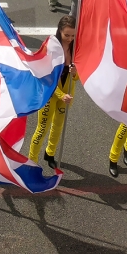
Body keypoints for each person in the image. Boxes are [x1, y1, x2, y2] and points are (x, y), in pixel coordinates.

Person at [28, 16, 77, 168]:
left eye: (73, 35)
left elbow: (78, 78)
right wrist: (61, 95)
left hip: (67, 94)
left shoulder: (76, 48)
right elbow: (45, 77)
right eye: (66, 35)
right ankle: (31, 162)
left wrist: (75, 73)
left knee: (58, 126)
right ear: (59, 31)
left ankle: (50, 153)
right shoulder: (50, 47)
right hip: (50, 95)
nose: (70, 39)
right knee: (42, 128)